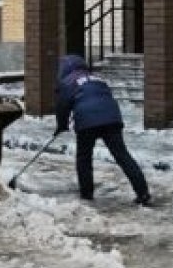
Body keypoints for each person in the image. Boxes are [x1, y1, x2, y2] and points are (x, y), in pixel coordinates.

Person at [55, 54, 152, 206]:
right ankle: (143, 191)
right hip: (112, 119)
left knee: (84, 158)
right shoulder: (98, 79)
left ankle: (87, 194)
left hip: (87, 122)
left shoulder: (68, 82)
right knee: (122, 155)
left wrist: (61, 125)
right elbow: (103, 99)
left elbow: (62, 106)